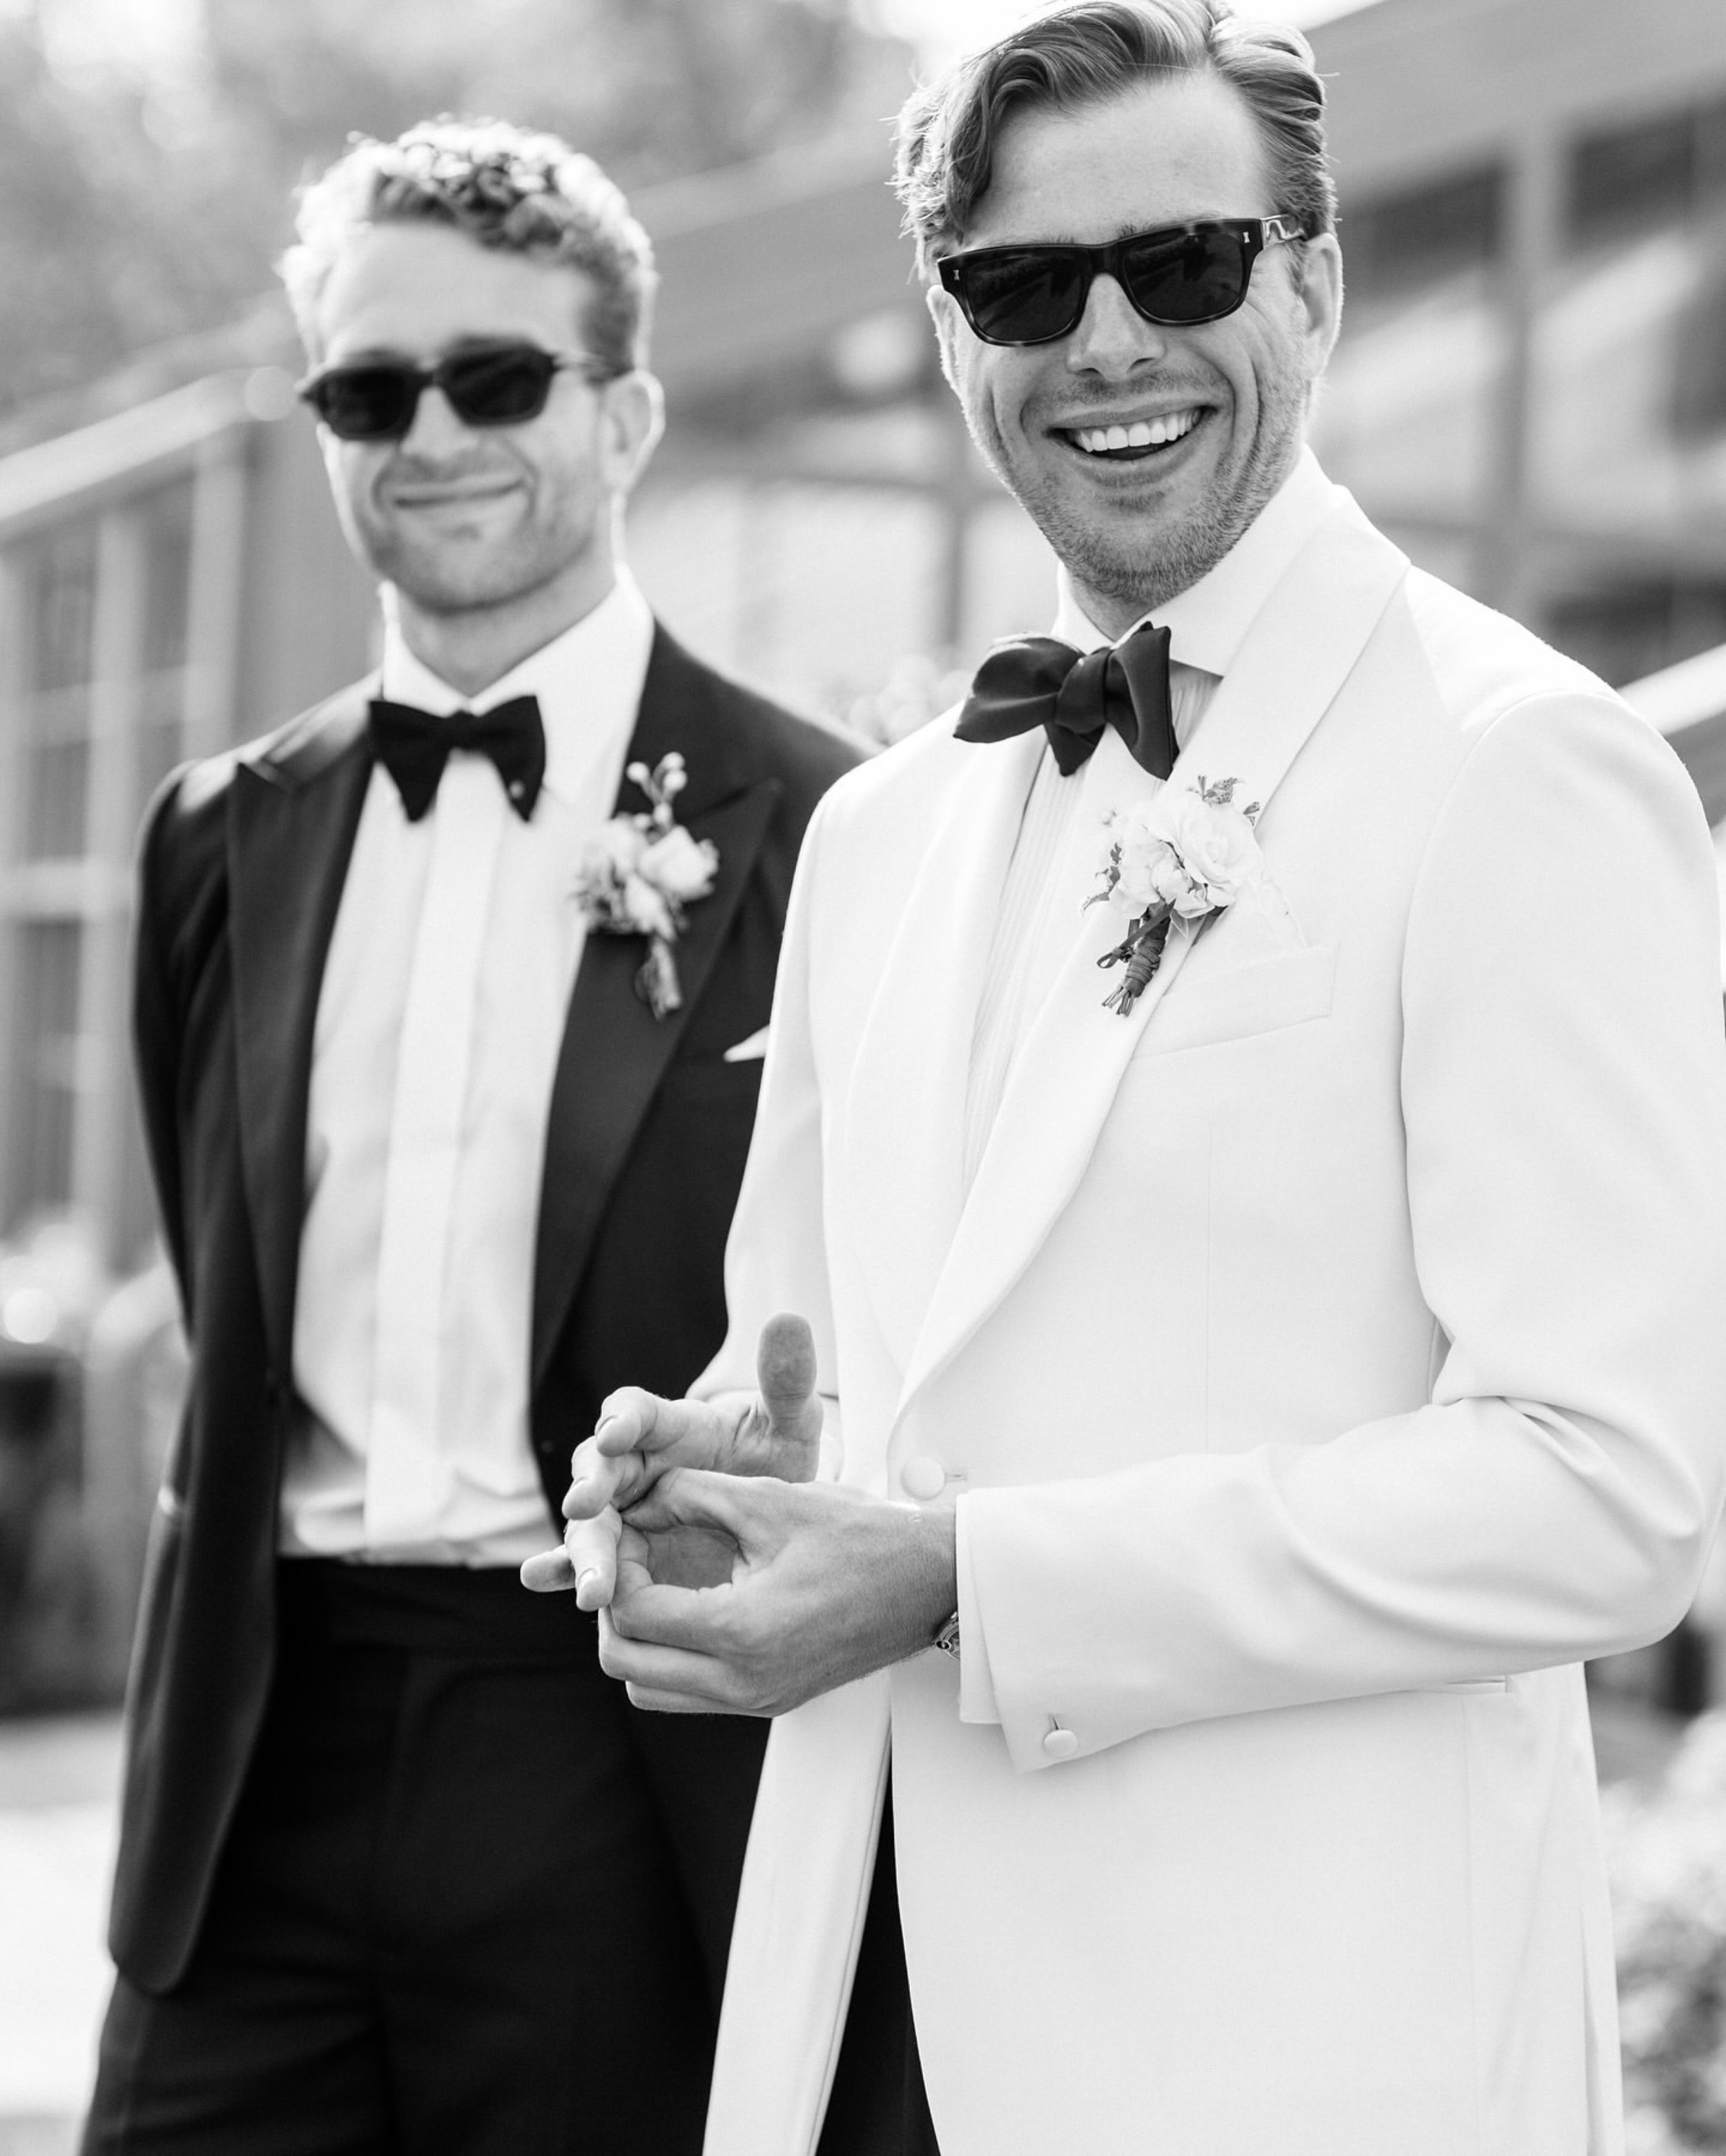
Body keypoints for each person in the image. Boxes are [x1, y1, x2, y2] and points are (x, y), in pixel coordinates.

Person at [537, 7, 1726, 2153]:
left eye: (1178, 263)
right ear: (950, 331)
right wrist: (718, 1470)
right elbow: (839, 1367)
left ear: (1315, 280)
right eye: (1018, 287)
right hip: (859, 2017)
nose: (1105, 342)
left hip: (1301, 2052)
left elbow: (1604, 1493)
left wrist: (970, 1577)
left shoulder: (1520, 765)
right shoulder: (883, 826)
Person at [84, 119, 859, 2156]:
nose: (426, 432)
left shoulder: (833, 827)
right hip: (259, 1750)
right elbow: (219, 1273)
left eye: (494, 378)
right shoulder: (211, 835)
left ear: (626, 416)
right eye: (366, 388)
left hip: (615, 1741)